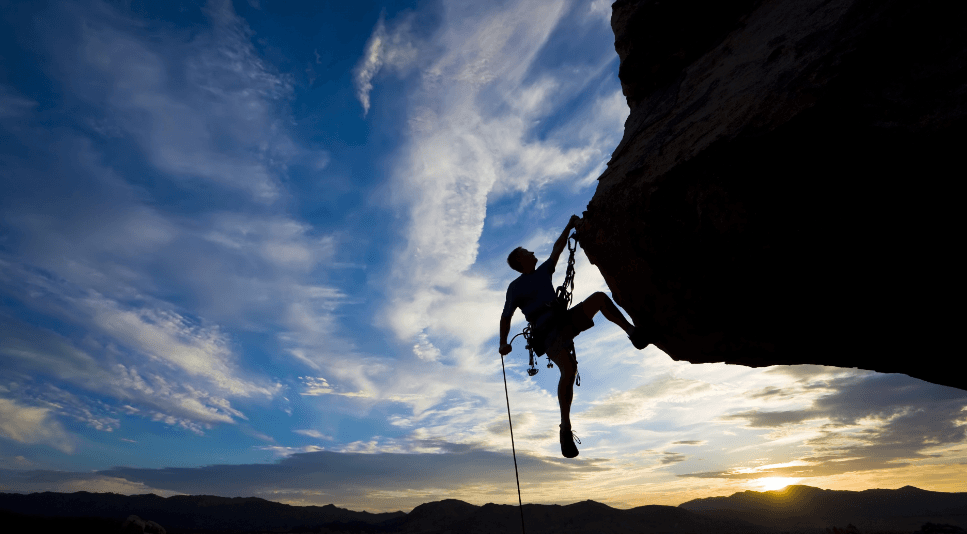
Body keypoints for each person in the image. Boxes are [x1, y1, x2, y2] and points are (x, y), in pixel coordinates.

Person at [499, 214, 650, 458]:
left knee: (600, 298)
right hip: (547, 332)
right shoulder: (515, 288)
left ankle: (632, 333)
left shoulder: (543, 271)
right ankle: (565, 428)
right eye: (527, 251)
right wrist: (503, 343)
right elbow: (505, 317)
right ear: (520, 260)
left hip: (563, 320)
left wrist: (569, 225)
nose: (532, 252)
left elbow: (558, 249)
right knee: (568, 370)